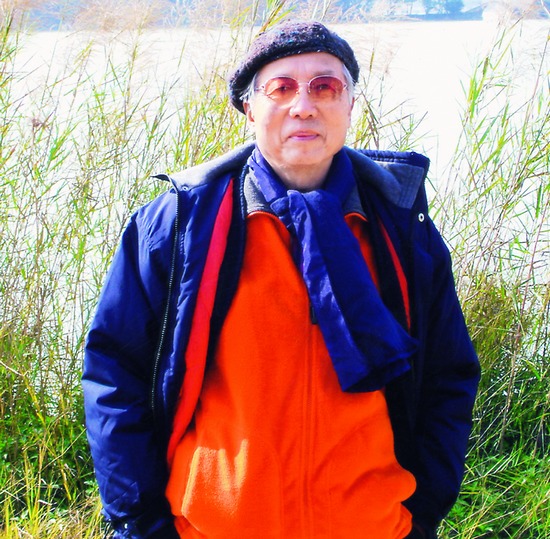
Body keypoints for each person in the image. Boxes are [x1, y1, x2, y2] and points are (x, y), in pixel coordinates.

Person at [82, 20, 480, 539]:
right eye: (281, 87)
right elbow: (115, 374)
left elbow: (448, 373)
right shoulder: (181, 225)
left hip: (373, 526)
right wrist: (141, 523)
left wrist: (422, 512)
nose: (303, 106)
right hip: (213, 529)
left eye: (325, 87)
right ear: (250, 108)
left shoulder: (399, 226)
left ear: (350, 105)